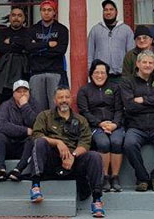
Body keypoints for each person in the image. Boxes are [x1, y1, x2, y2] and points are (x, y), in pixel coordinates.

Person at [29, 87, 106, 218]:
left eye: (67, 97)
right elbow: (36, 135)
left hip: (74, 161)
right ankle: (35, 186)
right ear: (55, 100)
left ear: (71, 99)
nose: (64, 100)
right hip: (53, 160)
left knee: (95, 156)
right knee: (40, 142)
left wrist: (73, 156)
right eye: (60, 97)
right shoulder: (45, 116)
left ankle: (97, 200)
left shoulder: (80, 120)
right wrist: (58, 143)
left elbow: (85, 142)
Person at [121, 50, 154, 192]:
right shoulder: (127, 82)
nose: (148, 65)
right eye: (144, 62)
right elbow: (129, 106)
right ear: (138, 64)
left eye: (150, 62)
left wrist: (143, 99)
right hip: (136, 126)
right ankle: (142, 178)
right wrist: (153, 103)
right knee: (129, 144)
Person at [78, 59, 125, 192]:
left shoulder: (115, 88)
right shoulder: (84, 90)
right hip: (95, 126)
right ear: (91, 74)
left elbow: (119, 109)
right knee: (103, 143)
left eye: (103, 73)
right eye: (97, 72)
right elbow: (84, 111)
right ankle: (104, 177)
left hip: (114, 125)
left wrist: (115, 124)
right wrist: (99, 123)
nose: (100, 76)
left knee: (116, 141)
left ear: (107, 74)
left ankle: (115, 177)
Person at [0, 80, 39, 182]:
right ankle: (1, 170)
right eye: (19, 91)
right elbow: (1, 125)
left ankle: (18, 170)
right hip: (9, 143)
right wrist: (25, 130)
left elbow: (36, 124)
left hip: (25, 146)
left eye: (25, 91)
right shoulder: (6, 105)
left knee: (34, 139)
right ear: (13, 94)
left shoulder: (34, 105)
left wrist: (25, 106)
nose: (22, 94)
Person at [28, 0, 69, 109]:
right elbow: (28, 48)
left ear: (54, 12)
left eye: (49, 10)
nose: (46, 13)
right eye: (44, 10)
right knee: (37, 107)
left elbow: (60, 50)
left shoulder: (62, 29)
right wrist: (48, 45)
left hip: (55, 71)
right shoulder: (32, 29)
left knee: (55, 106)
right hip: (36, 72)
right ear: (40, 12)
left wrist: (38, 47)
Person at [87, 0, 135, 83]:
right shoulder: (95, 30)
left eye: (111, 9)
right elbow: (89, 53)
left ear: (116, 12)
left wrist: (130, 73)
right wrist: (90, 72)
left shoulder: (126, 30)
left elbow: (131, 53)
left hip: (121, 76)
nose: (108, 12)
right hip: (100, 76)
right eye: (105, 10)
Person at [0, 6, 32, 103]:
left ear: (24, 19)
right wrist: (19, 45)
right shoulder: (2, 32)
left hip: (23, 70)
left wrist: (11, 40)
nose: (16, 18)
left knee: (21, 99)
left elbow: (28, 46)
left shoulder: (28, 32)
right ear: (10, 17)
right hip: (5, 71)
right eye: (13, 15)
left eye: (19, 15)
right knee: (4, 101)